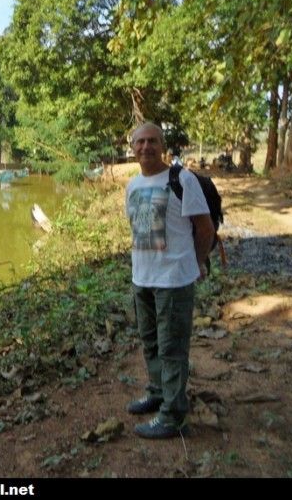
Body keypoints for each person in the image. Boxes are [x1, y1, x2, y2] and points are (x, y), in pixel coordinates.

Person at [125, 122, 215, 439]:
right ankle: (159, 393)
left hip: (174, 279)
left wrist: (199, 261)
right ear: (132, 147)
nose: (146, 147)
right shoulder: (132, 186)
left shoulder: (182, 179)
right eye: (140, 142)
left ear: (162, 145)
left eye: (152, 141)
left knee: (172, 348)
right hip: (142, 277)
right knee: (150, 342)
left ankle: (174, 416)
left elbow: (205, 228)